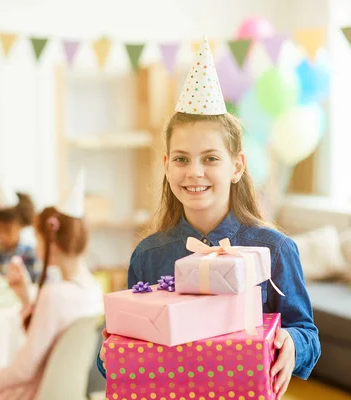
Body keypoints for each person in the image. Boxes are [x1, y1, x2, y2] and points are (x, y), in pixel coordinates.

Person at [97, 38, 320, 400]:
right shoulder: (149, 254)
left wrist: (293, 342)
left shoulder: (274, 249)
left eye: (211, 159)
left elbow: (306, 332)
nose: (194, 172)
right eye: (182, 159)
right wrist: (110, 354)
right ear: (166, 165)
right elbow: (122, 350)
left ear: (237, 166)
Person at [0, 169, 103, 400]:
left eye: (37, 239)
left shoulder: (54, 294)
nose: (35, 246)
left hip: (33, 393)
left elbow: (23, 371)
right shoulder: (92, 289)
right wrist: (27, 298)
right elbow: (50, 338)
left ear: (52, 244)